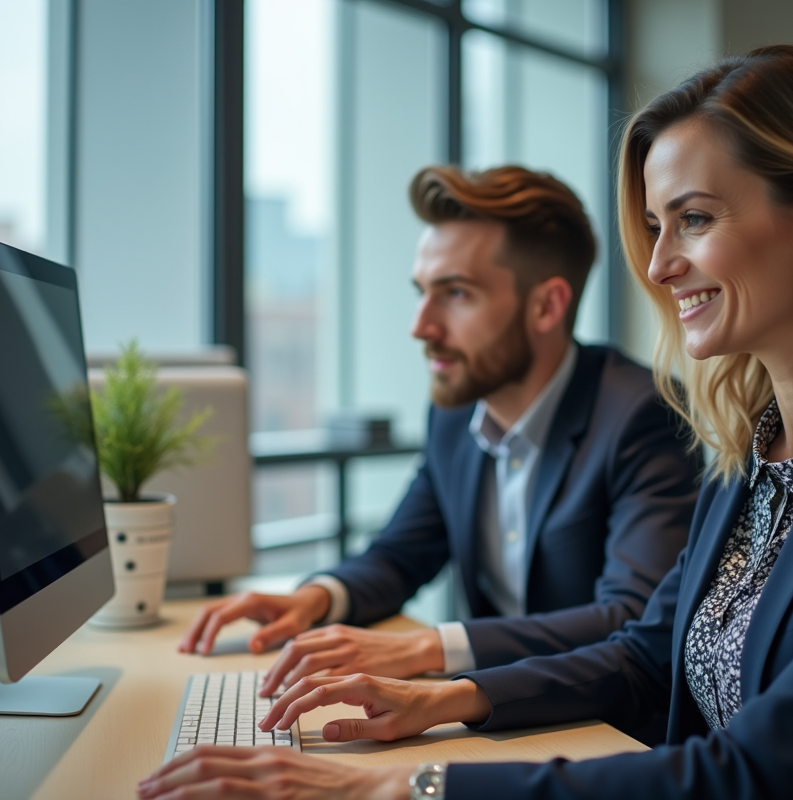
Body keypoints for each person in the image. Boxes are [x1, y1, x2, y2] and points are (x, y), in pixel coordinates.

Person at [141, 45, 793, 800]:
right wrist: (445, 700)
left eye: (693, 219)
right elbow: (650, 657)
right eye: (655, 226)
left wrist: (403, 788)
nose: (658, 264)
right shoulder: (754, 445)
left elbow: (763, 771)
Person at [179, 165, 701, 701]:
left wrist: (426, 648)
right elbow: (401, 553)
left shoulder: (642, 413)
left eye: (455, 294)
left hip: (604, 726)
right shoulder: (455, 417)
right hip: (498, 714)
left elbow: (631, 616)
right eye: (422, 292)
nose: (421, 326)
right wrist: (316, 598)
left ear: (547, 305)